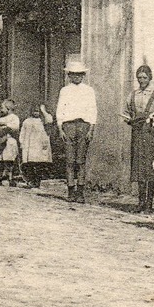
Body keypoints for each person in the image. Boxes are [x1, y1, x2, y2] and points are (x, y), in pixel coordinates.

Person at [54, 56, 97, 203]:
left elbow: (93, 110)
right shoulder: (65, 91)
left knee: (81, 161)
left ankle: (80, 192)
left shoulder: (89, 91)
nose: (77, 77)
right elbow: (60, 110)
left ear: (83, 75)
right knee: (70, 161)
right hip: (69, 126)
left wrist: (91, 129)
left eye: (79, 74)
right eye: (74, 74)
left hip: (83, 125)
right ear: (69, 75)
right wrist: (60, 128)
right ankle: (71, 191)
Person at [122, 65, 154, 213]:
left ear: (149, 78)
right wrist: (129, 120)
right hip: (137, 132)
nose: (142, 80)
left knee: (150, 167)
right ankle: (141, 201)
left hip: (150, 133)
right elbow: (126, 112)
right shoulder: (133, 94)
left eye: (144, 77)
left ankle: (149, 202)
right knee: (138, 167)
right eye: (139, 77)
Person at [18, 101, 54, 188]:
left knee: (38, 164)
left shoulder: (43, 121)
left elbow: (50, 120)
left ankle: (37, 181)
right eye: (34, 111)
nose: (36, 113)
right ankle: (31, 180)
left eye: (38, 111)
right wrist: (21, 142)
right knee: (30, 164)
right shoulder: (27, 121)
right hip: (29, 145)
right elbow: (22, 132)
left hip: (39, 145)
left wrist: (43, 111)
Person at [0, 99, 22, 186]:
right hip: (0, 140)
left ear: (8, 108)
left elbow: (15, 127)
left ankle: (10, 177)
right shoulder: (1, 119)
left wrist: (6, 126)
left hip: (9, 140)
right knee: (0, 159)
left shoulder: (14, 117)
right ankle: (0, 177)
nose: (1, 110)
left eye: (3, 108)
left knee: (9, 160)